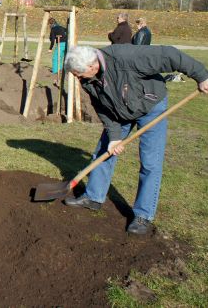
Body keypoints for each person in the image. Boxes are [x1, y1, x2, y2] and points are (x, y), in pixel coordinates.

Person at [62, 45, 208, 234]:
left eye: (78, 74)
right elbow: (102, 109)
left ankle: (143, 215)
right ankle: (93, 197)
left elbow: (171, 55)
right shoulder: (88, 80)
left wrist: (202, 76)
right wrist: (114, 138)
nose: (77, 78)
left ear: (92, 66)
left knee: (150, 161)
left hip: (150, 106)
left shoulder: (127, 58)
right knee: (104, 150)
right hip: (118, 112)